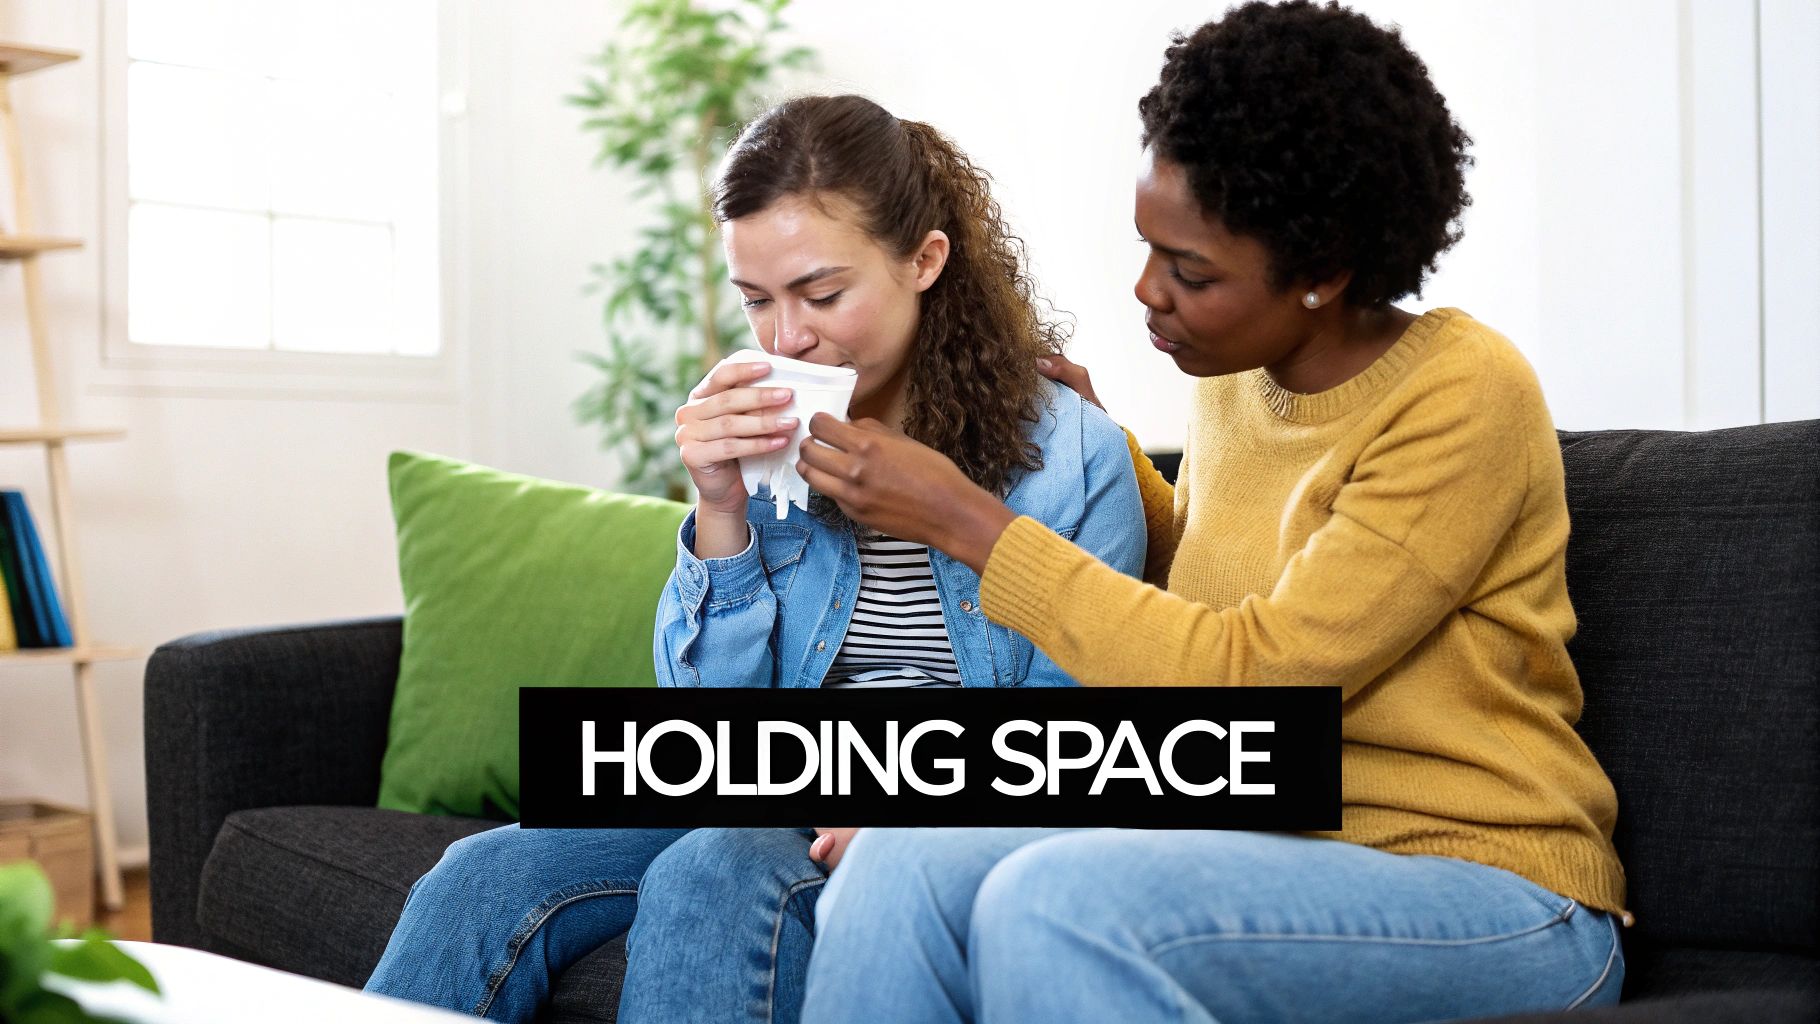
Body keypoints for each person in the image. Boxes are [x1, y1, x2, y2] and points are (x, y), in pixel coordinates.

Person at [794, 4, 1630, 1022]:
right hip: (1245, 847)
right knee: (904, 854)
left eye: (1190, 272)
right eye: (1149, 248)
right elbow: (1207, 572)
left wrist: (967, 521)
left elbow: (1262, 678)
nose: (1147, 290)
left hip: (1486, 889)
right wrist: (1102, 456)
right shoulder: (1240, 376)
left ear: (1323, 273)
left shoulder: (1462, 395)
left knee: (1056, 902)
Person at [362, 94, 1144, 1024]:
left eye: (822, 294)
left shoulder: (1073, 460)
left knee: (719, 865)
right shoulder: (770, 438)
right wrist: (720, 509)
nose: (785, 338)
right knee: (481, 873)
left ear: (925, 260)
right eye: (757, 300)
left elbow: (1082, 742)